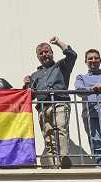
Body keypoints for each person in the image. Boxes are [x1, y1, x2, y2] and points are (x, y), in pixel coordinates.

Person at [23, 36, 77, 169]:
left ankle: (63, 157)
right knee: (48, 136)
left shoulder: (61, 66)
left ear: (52, 53)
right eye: (41, 53)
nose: (44, 54)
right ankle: (54, 164)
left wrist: (58, 42)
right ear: (37, 57)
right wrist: (26, 85)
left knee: (60, 127)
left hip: (59, 101)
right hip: (42, 107)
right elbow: (30, 95)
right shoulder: (35, 75)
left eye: (47, 51)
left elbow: (72, 55)